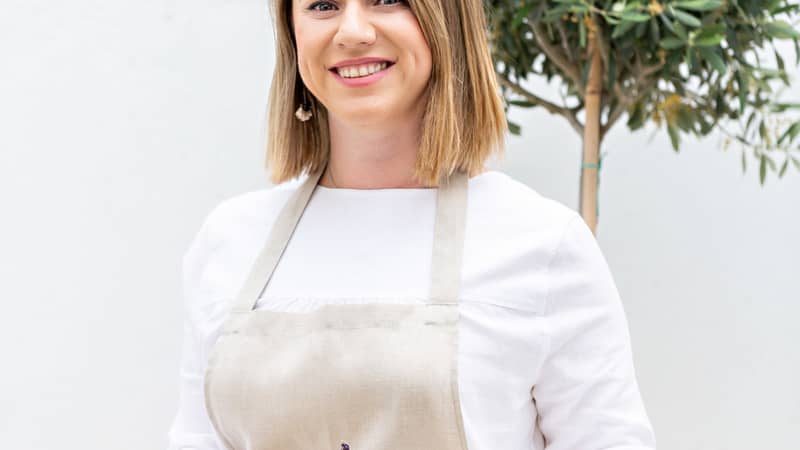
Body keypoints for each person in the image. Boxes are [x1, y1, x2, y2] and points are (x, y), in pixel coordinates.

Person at [167, 0, 657, 448]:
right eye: (322, 5)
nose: (353, 31)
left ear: (448, 20)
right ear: (292, 34)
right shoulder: (231, 240)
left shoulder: (542, 244)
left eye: (387, 0)